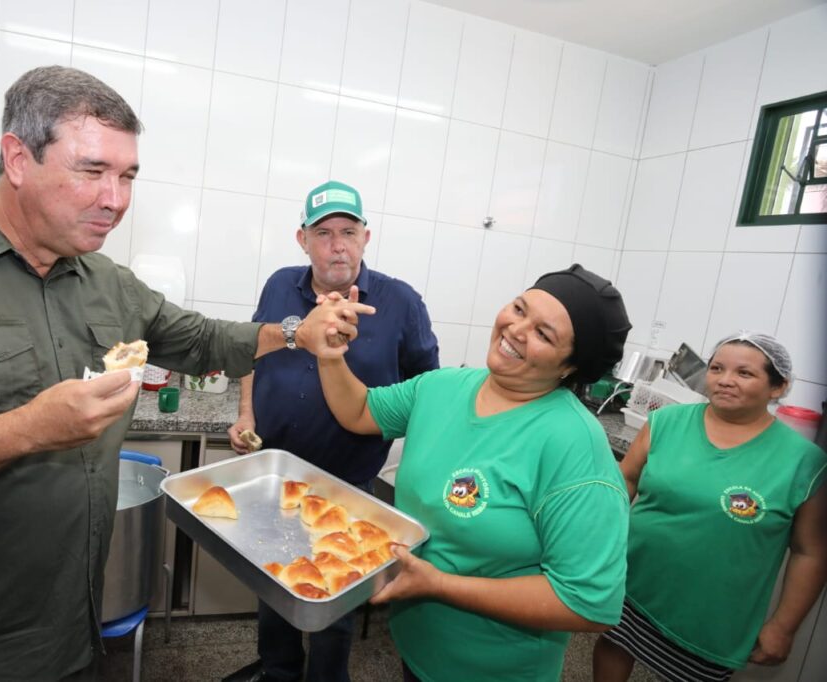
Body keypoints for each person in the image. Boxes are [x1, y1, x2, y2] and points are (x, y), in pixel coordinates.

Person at [0, 66, 371, 682]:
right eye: (93, 171)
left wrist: (295, 333)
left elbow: (203, 338)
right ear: (17, 159)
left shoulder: (108, 284)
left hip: (72, 640)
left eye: (127, 176)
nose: (116, 199)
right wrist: (24, 431)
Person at [312, 264, 634, 682]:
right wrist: (330, 354)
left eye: (543, 333)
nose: (517, 329)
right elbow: (358, 411)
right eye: (519, 309)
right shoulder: (443, 387)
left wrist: (440, 585)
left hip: (495, 669)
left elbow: (590, 603)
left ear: (570, 366)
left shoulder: (573, 445)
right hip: (418, 647)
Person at [222, 180, 440, 682]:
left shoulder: (401, 302)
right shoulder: (281, 285)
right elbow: (252, 352)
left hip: (348, 481)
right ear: (302, 239)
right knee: (273, 579)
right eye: (323, 233)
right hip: (274, 470)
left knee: (336, 593)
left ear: (367, 236)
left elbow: (426, 391)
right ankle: (278, 671)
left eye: (348, 231)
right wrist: (247, 415)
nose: (336, 244)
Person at [593, 332, 827, 682]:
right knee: (615, 643)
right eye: (717, 368)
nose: (725, 380)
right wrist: (595, 549)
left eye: (744, 373)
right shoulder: (666, 423)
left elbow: (811, 551)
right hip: (634, 580)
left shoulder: (803, 462)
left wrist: (783, 626)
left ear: (778, 387)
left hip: (713, 611)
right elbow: (625, 481)